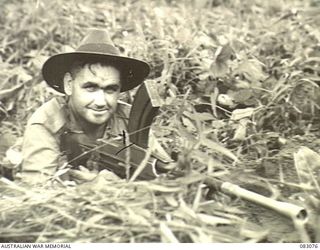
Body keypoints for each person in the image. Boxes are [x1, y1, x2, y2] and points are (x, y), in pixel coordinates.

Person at [21, 29, 151, 185]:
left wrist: (120, 185)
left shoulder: (131, 120)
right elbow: (35, 192)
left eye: (110, 89)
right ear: (69, 84)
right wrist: (92, 188)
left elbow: (161, 173)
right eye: (91, 88)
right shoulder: (46, 123)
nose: (101, 101)